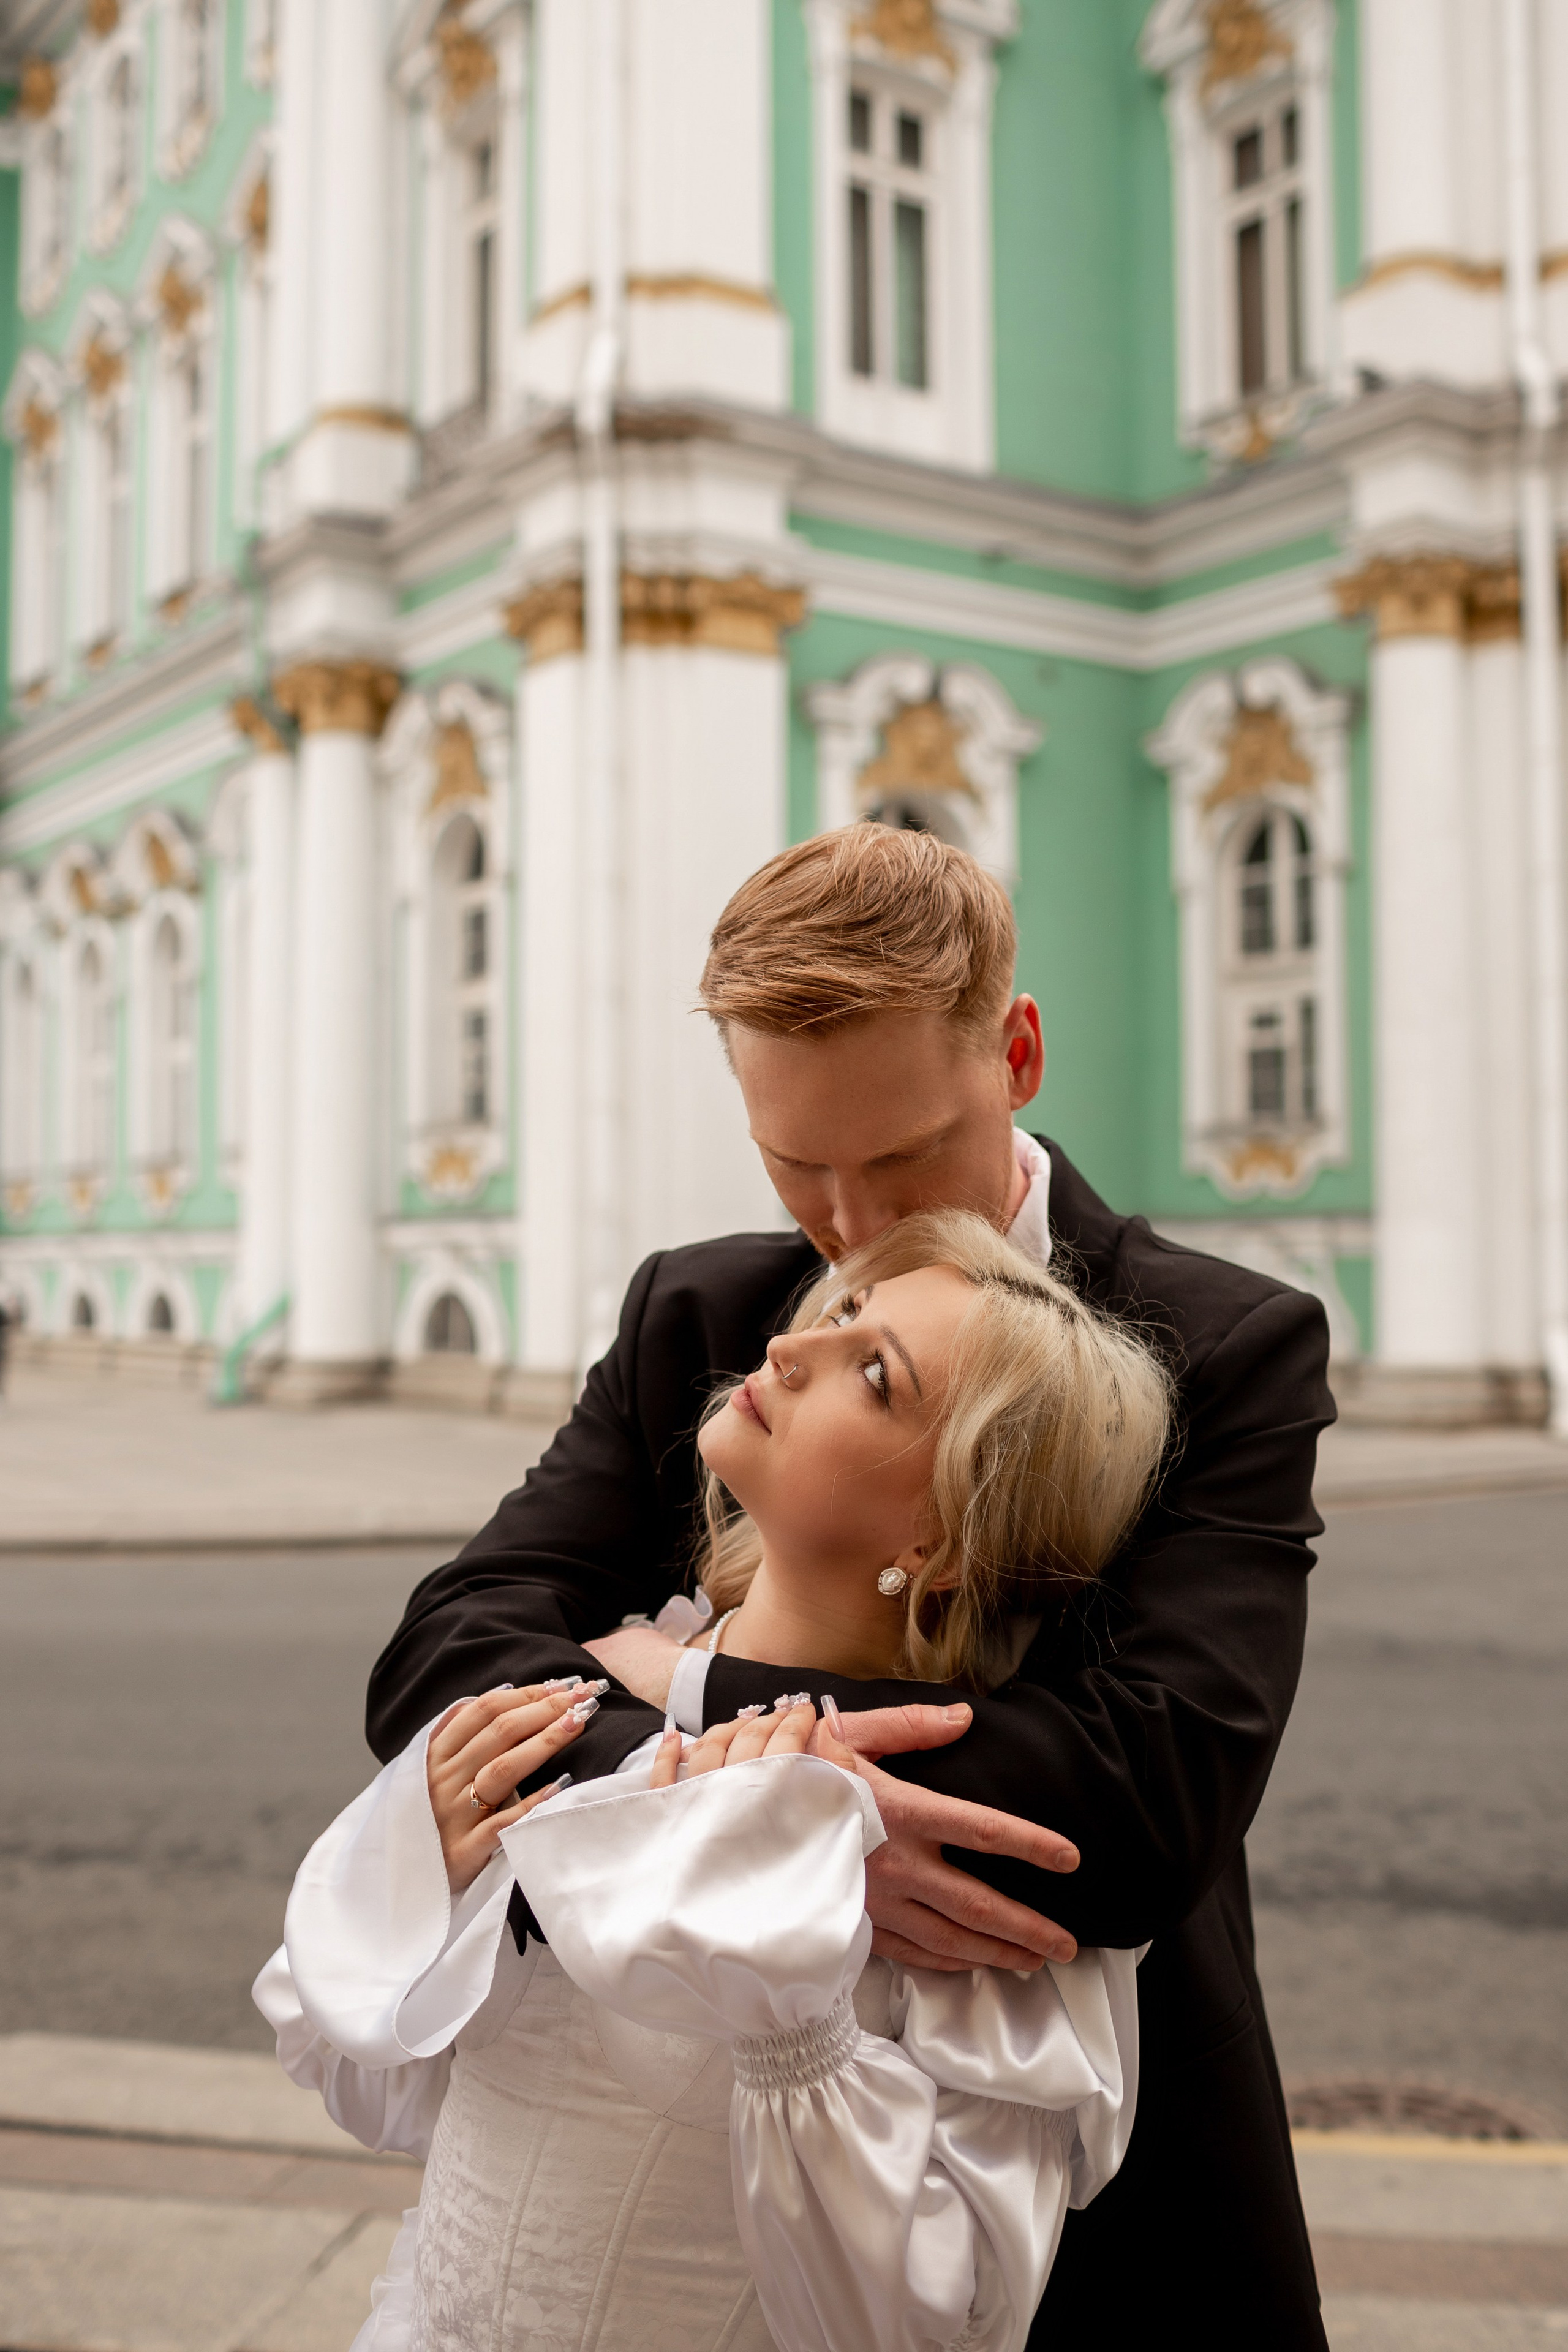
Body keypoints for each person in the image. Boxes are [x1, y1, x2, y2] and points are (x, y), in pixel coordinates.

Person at [365, 823, 1336, 2347]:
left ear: (1011, 1052)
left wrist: (694, 1724)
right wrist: (760, 1823)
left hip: (1115, 2185)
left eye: (895, 1158)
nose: (847, 1225)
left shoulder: (1222, 1343)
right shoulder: (700, 1306)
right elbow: (442, 1663)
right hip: (709, 2204)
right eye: (791, 1162)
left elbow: (1148, 1800)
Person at [258, 1211, 1172, 2351]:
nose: (792, 1348)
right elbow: (376, 2091)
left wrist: (789, 2019)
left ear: (936, 1540)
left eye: (874, 1375)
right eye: (841, 1314)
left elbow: (919, 2323)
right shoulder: (578, 1698)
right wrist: (426, 1885)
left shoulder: (949, 1860)